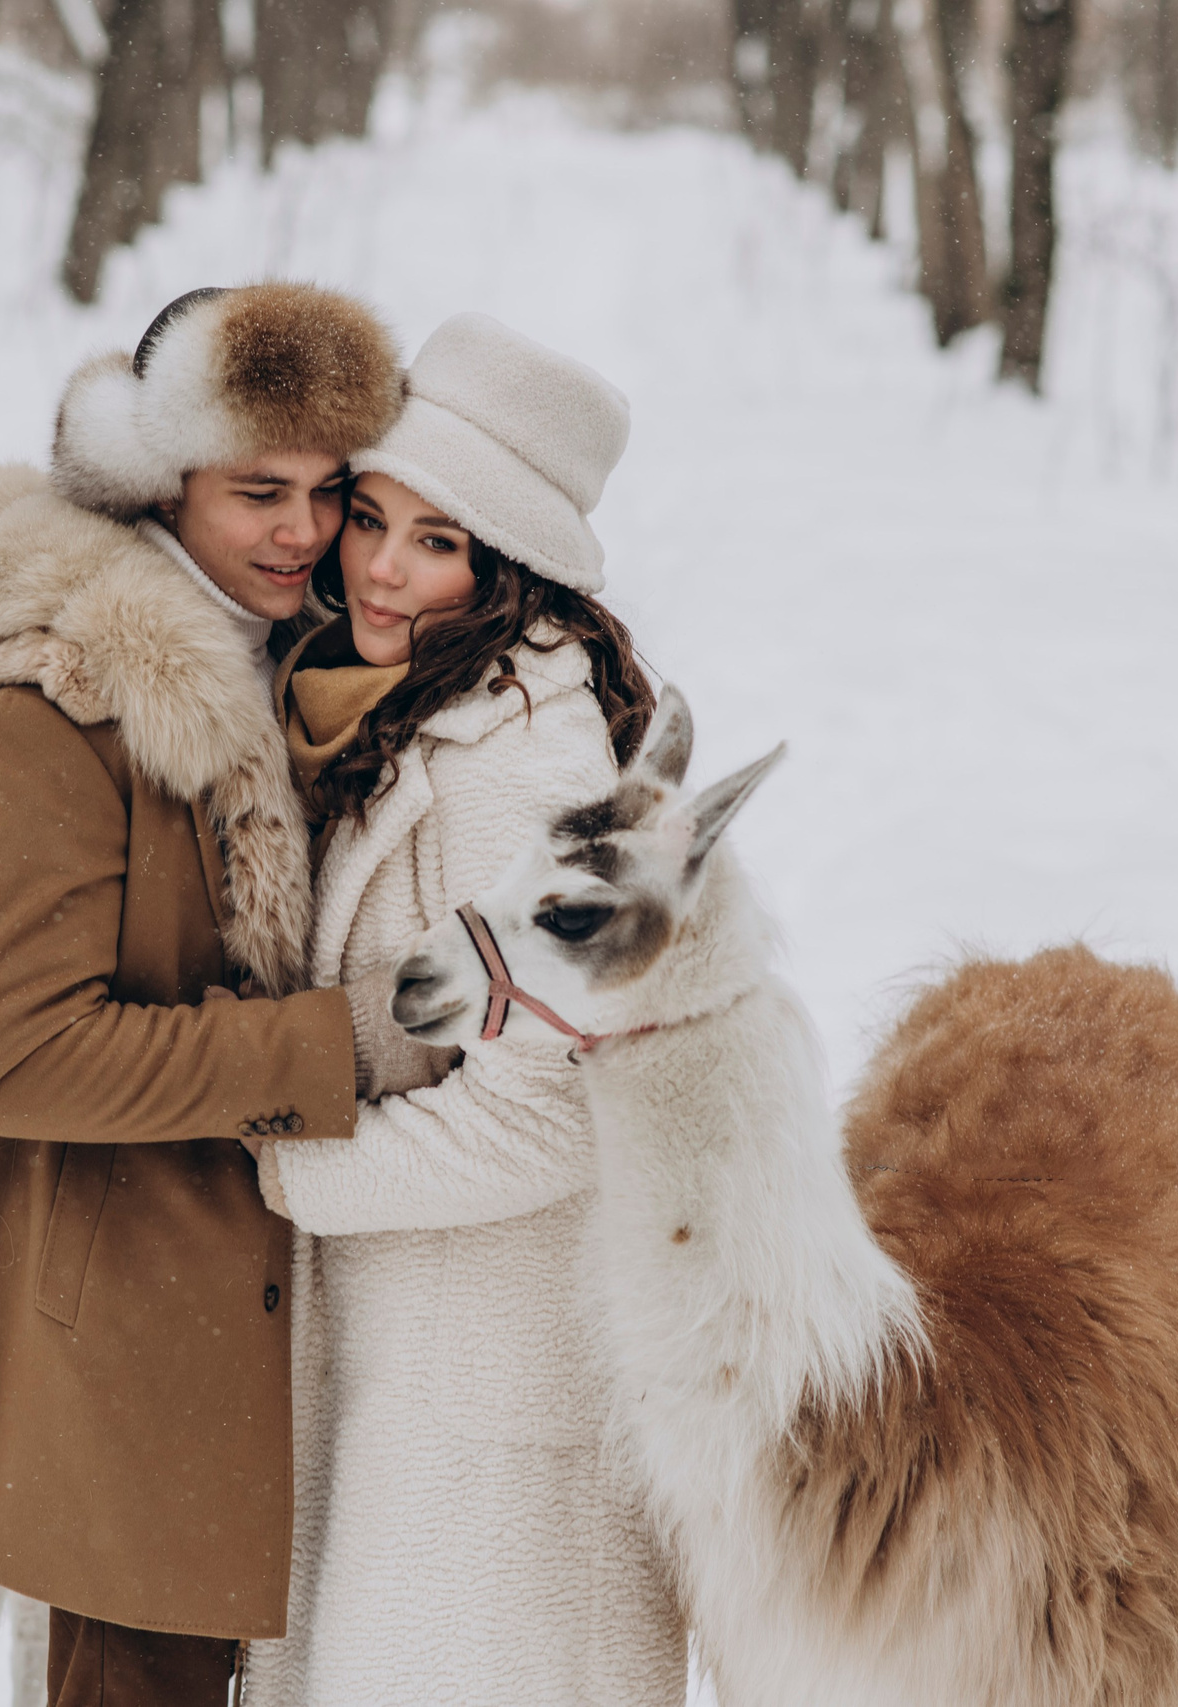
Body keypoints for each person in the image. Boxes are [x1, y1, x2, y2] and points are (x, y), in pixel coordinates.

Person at [0, 283, 445, 1707]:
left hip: (277, 1306)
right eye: (259, 491)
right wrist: (342, 1046)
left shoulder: (301, 664)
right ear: (159, 482)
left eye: (332, 493)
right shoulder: (52, 706)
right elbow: (18, 1058)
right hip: (132, 1341)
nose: (304, 533)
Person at [240, 313, 690, 1706]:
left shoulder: (524, 767)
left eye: (435, 541)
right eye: (371, 517)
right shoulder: (394, 703)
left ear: (507, 566)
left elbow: (545, 1122)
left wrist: (277, 1168)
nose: (379, 566)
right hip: (409, 1357)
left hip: (491, 1387)